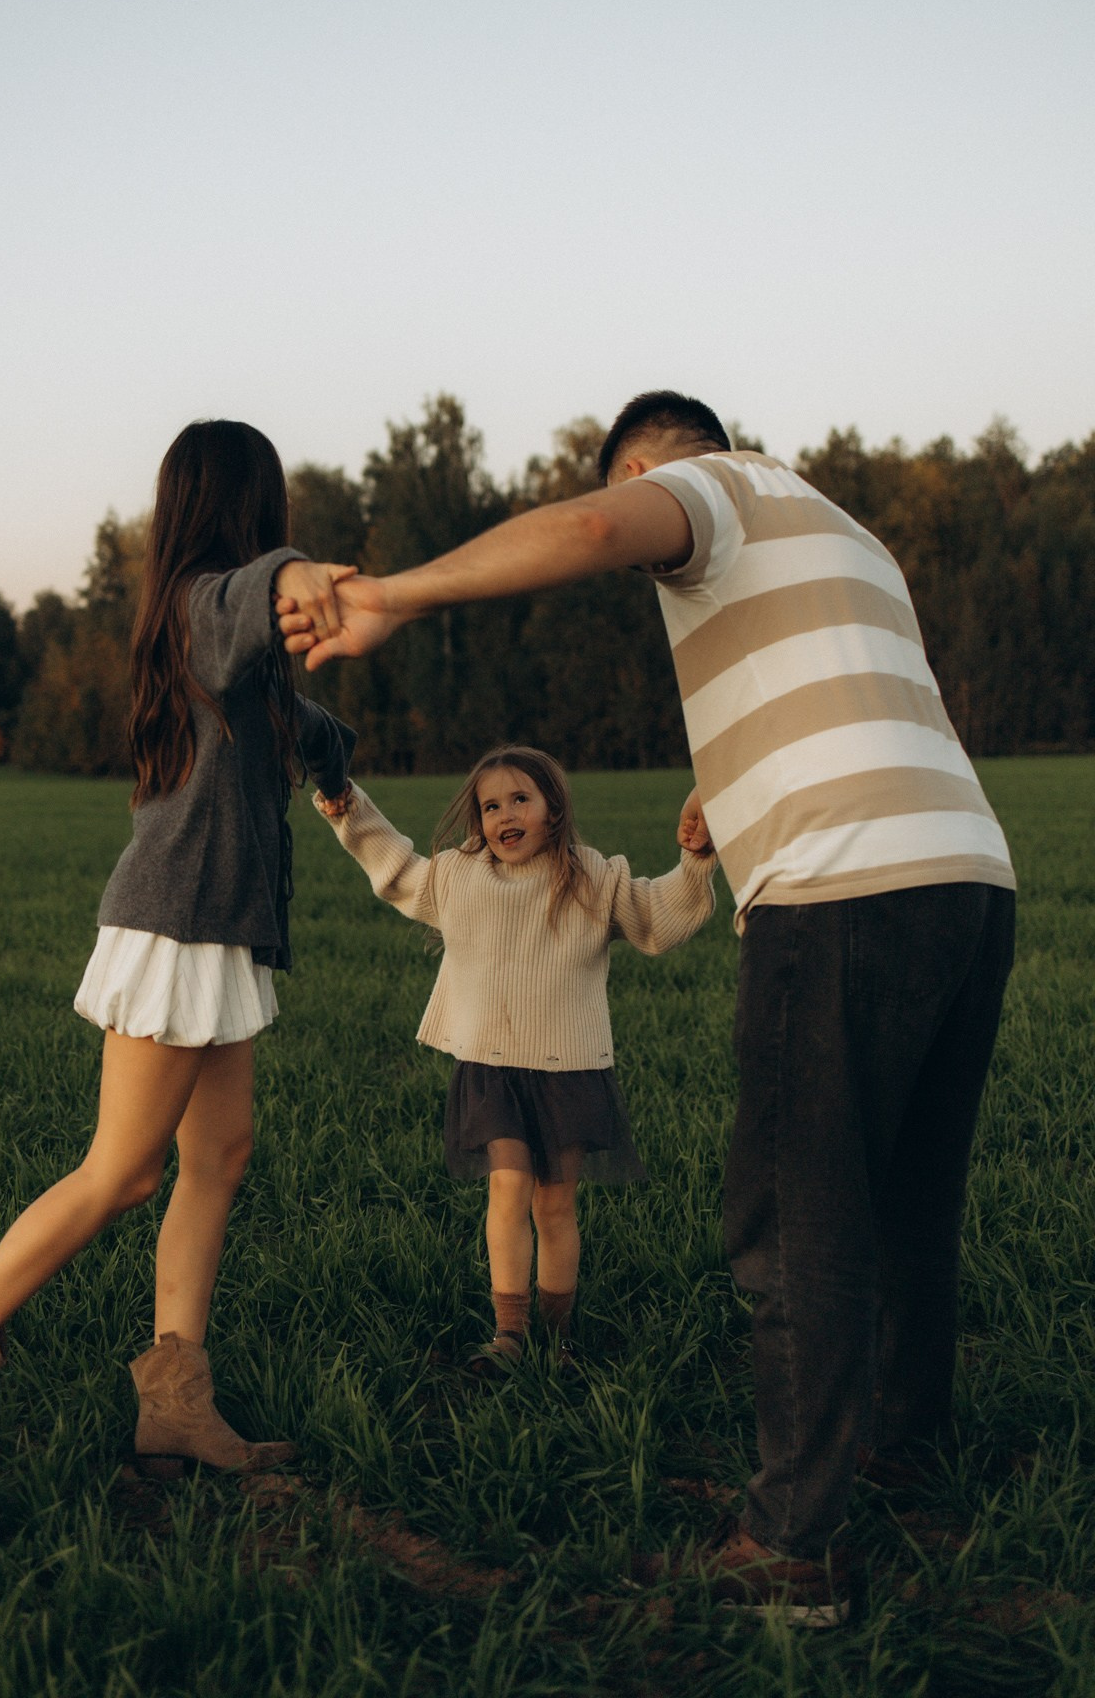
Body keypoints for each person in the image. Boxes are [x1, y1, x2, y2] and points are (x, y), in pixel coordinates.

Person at [280, 390, 1015, 1628]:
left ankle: (791, 1550)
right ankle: (903, 1458)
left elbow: (582, 533)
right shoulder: (850, 533)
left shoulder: (713, 491)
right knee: (906, 1204)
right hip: (970, 878)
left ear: (642, 464)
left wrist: (391, 596)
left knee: (791, 1212)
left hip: (842, 889)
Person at [0, 419, 357, 1476]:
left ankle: (175, 1402)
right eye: (272, 515)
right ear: (245, 509)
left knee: (217, 1157)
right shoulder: (198, 609)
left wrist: (332, 761)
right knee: (121, 1173)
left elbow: (295, 721)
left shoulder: (239, 653)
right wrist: (294, 571)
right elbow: (244, 608)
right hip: (177, 928)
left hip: (220, 936)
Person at [314, 745, 715, 1373]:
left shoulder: (592, 877)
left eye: (520, 799)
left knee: (555, 1206)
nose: (506, 814)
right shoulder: (459, 876)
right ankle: (509, 1333)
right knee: (508, 1191)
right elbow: (396, 867)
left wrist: (695, 862)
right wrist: (349, 810)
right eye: (491, 805)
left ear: (553, 808)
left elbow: (658, 918)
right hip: (492, 1067)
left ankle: (556, 1340)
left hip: (569, 1067)